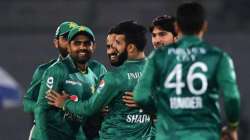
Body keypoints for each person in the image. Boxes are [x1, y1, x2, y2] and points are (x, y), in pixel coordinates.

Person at [133, 2, 240, 140]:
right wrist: (232, 126)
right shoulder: (218, 57)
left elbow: (140, 96)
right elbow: (232, 97)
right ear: (204, 26)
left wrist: (158, 112)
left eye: (162, 34)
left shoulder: (158, 57)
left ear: (177, 27)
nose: (157, 40)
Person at [46, 21, 155, 140]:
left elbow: (88, 108)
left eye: (117, 43)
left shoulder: (115, 77)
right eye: (110, 45)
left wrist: (64, 103)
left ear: (130, 47)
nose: (113, 48)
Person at [34, 25, 99, 140]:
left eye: (87, 43)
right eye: (77, 43)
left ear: (93, 47)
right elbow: (41, 109)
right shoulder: (57, 71)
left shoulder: (93, 77)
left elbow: (85, 115)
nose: (82, 47)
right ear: (68, 47)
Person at [23, 21, 78, 140]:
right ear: (56, 42)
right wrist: (43, 106)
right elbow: (26, 103)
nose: (70, 43)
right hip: (47, 132)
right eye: (65, 38)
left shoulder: (94, 71)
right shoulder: (44, 70)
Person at [123, 15, 177, 108]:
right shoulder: (152, 66)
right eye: (154, 35)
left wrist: (147, 103)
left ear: (177, 37)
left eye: (162, 34)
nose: (156, 41)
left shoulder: (188, 65)